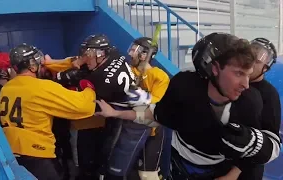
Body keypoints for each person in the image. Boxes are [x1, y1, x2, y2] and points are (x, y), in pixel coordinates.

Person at [94, 32, 277, 179]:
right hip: (179, 166)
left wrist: (256, 145)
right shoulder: (184, 87)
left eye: (248, 73)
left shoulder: (251, 102)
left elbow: (269, 148)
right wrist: (115, 113)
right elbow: (155, 114)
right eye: (238, 73)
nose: (246, 84)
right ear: (214, 68)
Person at [44, 34, 152, 180]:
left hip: (138, 119)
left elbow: (83, 102)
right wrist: (79, 60)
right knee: (106, 155)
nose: (85, 58)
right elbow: (84, 65)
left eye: (88, 55)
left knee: (114, 167)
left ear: (100, 54)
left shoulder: (101, 81)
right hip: (133, 105)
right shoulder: (114, 53)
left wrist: (59, 78)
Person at [0, 44, 96, 180]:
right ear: (32, 66)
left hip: (12, 152)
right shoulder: (42, 87)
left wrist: (70, 63)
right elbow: (83, 106)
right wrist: (89, 87)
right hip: (37, 155)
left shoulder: (6, 88)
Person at [233, 37, 281, 179]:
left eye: (257, 61)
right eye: (248, 57)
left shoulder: (269, 95)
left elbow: (269, 142)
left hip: (247, 171)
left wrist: (234, 173)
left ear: (265, 68)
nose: (250, 63)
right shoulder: (232, 82)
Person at [127, 37, 170, 180]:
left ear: (144, 55)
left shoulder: (160, 77)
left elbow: (155, 107)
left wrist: (139, 97)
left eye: (134, 50)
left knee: (147, 174)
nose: (130, 53)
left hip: (151, 131)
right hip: (129, 129)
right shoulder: (127, 70)